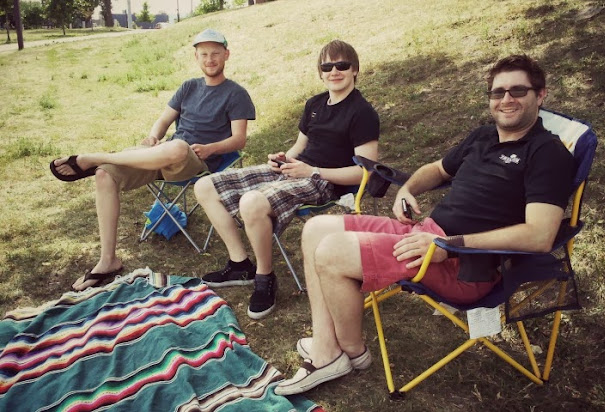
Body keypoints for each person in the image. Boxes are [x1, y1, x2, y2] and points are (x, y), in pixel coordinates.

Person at [274, 54, 575, 395]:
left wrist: (450, 247)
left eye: (518, 90)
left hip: (466, 263)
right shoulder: (483, 137)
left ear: (541, 95)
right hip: (426, 236)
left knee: (332, 251)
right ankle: (330, 345)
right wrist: (407, 189)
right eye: (497, 92)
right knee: (316, 229)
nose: (506, 99)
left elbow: (540, 235)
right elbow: (437, 169)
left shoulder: (547, 154)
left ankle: (337, 355)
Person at [50, 29, 256, 291]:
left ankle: (91, 158)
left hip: (195, 161)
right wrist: (152, 137)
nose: (210, 59)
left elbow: (239, 140)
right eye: (204, 54)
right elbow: (163, 120)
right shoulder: (188, 87)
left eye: (216, 53)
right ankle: (107, 260)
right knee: (104, 174)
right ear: (196, 57)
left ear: (226, 55)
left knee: (178, 147)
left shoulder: (235, 93)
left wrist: (211, 148)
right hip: (161, 156)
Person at [194, 40, 380, 320]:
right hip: (296, 169)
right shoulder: (315, 104)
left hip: (325, 181)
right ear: (320, 72)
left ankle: (264, 276)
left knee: (253, 202)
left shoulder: (362, 112)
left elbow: (364, 172)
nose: (334, 71)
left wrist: (313, 172)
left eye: (342, 65)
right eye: (327, 66)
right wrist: (282, 157)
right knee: (205, 186)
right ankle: (239, 263)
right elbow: (300, 146)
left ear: (354, 70)